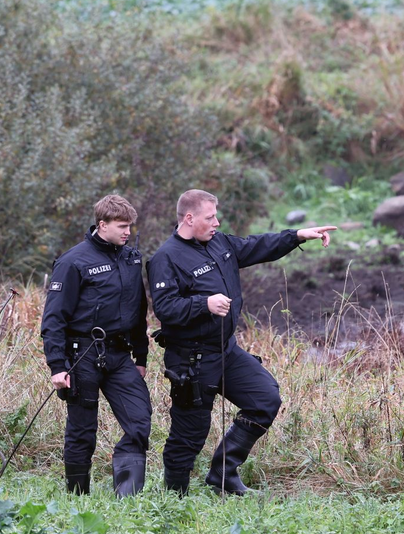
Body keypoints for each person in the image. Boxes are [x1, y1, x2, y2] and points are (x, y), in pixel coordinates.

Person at [147, 189, 336, 496]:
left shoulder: (219, 243)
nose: (216, 222)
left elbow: (257, 245)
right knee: (190, 434)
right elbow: (165, 308)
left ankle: (223, 475)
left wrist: (297, 236)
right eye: (210, 217)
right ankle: (173, 498)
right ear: (190, 218)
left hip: (226, 352)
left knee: (264, 399)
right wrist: (203, 303)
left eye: (216, 216)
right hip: (191, 360)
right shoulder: (165, 258)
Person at [42, 195, 151, 496]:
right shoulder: (73, 261)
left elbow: (138, 310)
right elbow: (53, 318)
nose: (127, 232)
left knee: (139, 420)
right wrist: (57, 365)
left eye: (130, 226)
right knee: (82, 431)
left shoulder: (131, 259)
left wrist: (141, 356)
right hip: (82, 355)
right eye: (121, 226)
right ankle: (77, 496)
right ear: (102, 224)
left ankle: (127, 495)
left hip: (119, 355)